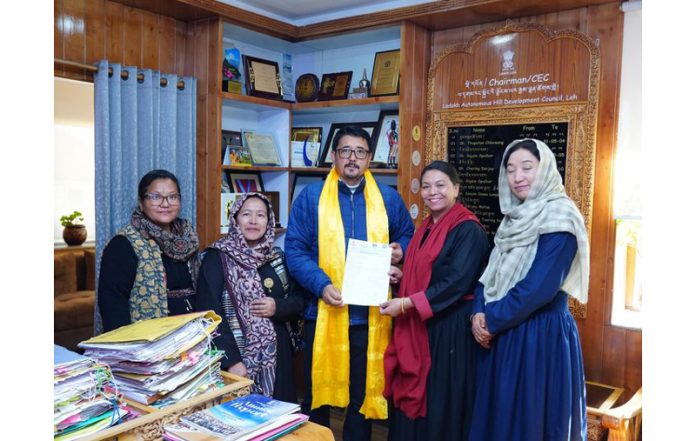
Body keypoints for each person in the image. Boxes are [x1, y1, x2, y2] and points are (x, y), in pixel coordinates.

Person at [285, 125, 414, 441]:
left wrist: (401, 253)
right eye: (345, 151)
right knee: (318, 393)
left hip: (370, 316)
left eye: (360, 152)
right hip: (325, 311)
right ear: (334, 156)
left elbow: (408, 235)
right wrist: (321, 285)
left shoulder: (387, 198)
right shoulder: (311, 197)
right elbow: (295, 249)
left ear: (369, 157)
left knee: (362, 396)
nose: (352, 158)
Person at [468, 138, 589, 441]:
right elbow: (489, 275)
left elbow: (539, 288)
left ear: (545, 169)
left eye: (527, 168)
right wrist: (477, 313)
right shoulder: (514, 218)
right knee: (500, 421)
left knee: (530, 422)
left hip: (539, 336)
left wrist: (491, 320)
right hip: (504, 331)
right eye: (510, 170)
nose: (517, 177)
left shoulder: (561, 216)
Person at [380, 161, 489, 441]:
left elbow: (456, 282)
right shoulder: (426, 226)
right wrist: (401, 275)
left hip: (450, 330)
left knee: (441, 401)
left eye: (440, 185)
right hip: (423, 324)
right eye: (426, 186)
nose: (432, 192)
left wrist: (406, 303)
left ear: (456, 189)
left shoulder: (469, 230)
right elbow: (426, 273)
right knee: (418, 396)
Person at [196, 193, 303, 402]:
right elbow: (208, 313)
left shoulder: (278, 258)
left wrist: (277, 307)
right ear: (235, 219)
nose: (253, 221)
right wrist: (232, 360)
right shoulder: (216, 257)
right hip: (235, 358)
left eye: (261, 215)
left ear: (269, 221)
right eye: (246, 214)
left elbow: (299, 301)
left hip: (278, 357)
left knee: (278, 423)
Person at [98, 169, 199, 332]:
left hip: (192, 337)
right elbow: (112, 305)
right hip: (147, 346)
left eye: (173, 197)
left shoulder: (188, 238)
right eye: (156, 197)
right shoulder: (123, 244)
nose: (165, 203)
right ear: (141, 203)